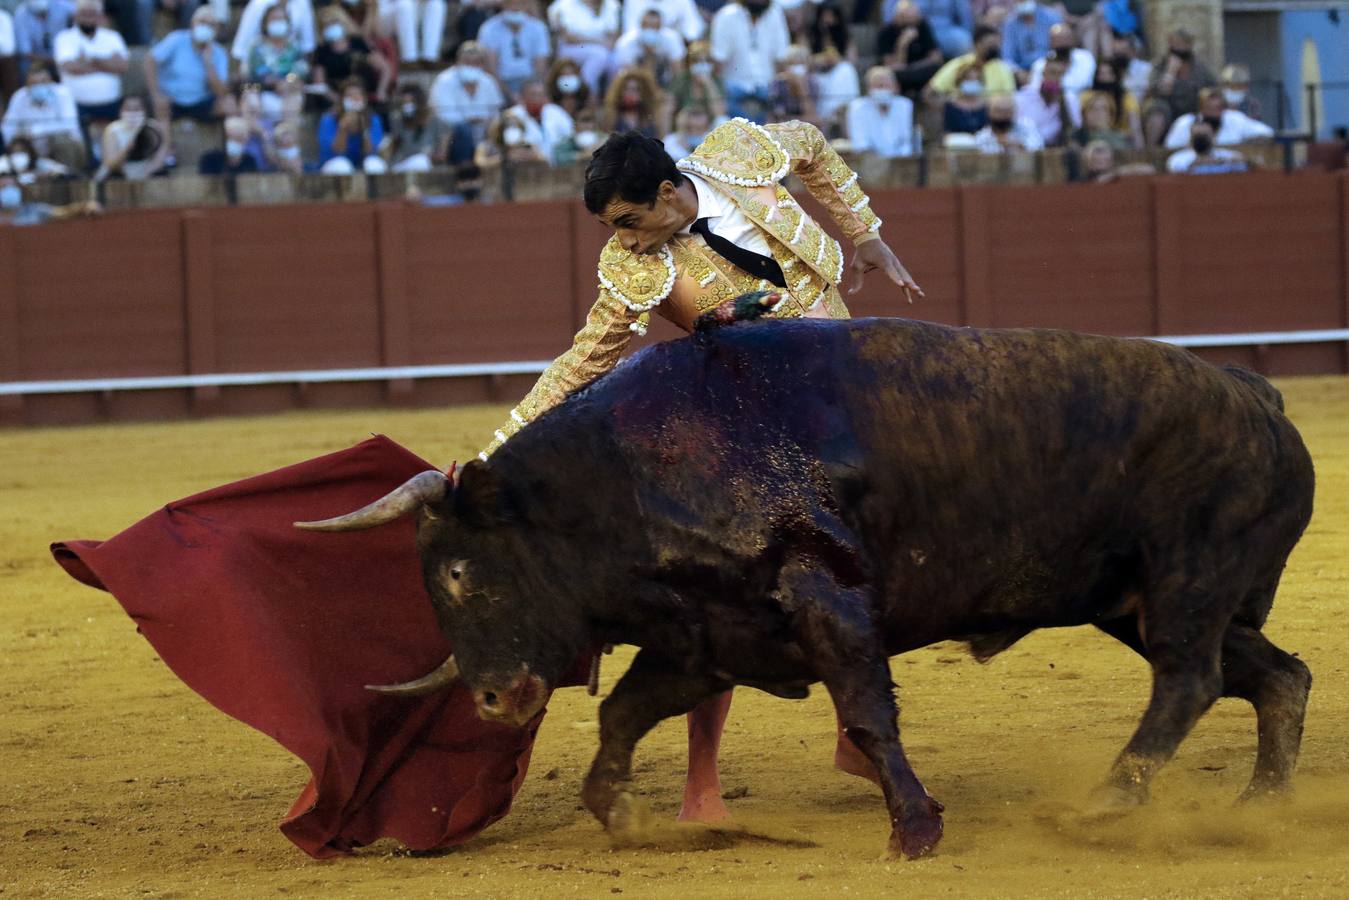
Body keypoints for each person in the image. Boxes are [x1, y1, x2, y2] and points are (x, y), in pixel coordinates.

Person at [475, 120, 922, 821]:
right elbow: (583, 362)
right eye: (610, 228)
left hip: (844, 402)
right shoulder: (634, 269)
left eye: (628, 221)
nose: (622, 240)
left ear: (667, 192)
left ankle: (853, 739)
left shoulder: (737, 155)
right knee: (722, 595)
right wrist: (494, 451)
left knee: (874, 568)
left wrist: (861, 231)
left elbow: (808, 142)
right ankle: (700, 786)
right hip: (752, 431)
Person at [146, 7, 230, 128]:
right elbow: (150, 60)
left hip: (200, 100)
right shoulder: (176, 39)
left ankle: (226, 146)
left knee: (228, 105)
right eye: (202, 22)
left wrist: (209, 64)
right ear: (192, 24)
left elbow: (221, 91)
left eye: (211, 25)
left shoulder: (219, 52)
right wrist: (156, 94)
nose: (206, 27)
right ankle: (164, 146)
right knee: (160, 105)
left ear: (216, 30)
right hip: (171, 99)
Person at [709, 0, 790, 123]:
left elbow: (781, 58)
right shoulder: (726, 16)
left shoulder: (775, 13)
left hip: (767, 88)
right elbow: (718, 62)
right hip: (734, 89)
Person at [53, 0, 127, 131]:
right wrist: (107, 64)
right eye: (83, 14)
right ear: (75, 16)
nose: (88, 18)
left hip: (111, 104)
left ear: (100, 17)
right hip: (77, 105)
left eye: (92, 14)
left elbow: (122, 66)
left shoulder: (112, 37)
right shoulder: (64, 38)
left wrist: (90, 59)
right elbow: (71, 67)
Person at [1, 60, 85, 169]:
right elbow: (8, 127)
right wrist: (13, 143)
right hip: (32, 147)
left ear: (50, 80)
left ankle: (67, 178)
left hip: (67, 146)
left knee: (60, 139)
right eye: (34, 83)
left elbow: (69, 125)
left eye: (42, 82)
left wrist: (36, 131)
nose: (38, 86)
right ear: (27, 83)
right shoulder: (20, 97)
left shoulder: (63, 93)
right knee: (17, 145)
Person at [1144, 28, 1214, 146]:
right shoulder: (1160, 65)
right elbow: (1159, 91)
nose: (1179, 48)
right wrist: (1170, 72)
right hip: (1167, 109)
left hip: (1193, 109)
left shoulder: (1200, 68)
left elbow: (1212, 88)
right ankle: (1151, 149)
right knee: (1157, 112)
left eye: (1183, 44)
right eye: (1176, 44)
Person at [310, 7, 391, 108]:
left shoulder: (358, 43)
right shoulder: (321, 51)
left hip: (366, 96)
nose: (330, 27)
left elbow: (385, 68)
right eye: (325, 25)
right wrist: (339, 100)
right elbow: (320, 85)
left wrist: (381, 91)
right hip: (338, 100)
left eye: (333, 23)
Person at [429, 41, 505, 146]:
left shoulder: (488, 81)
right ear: (457, 62)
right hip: (454, 134)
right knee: (464, 130)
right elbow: (444, 115)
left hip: (485, 132)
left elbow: (496, 111)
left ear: (483, 64)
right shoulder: (444, 81)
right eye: (467, 62)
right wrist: (471, 120)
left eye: (476, 62)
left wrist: (489, 123)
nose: (471, 66)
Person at [477, 0, 551, 97]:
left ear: (527, 5)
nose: (515, 8)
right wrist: (508, 94)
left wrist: (531, 93)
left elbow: (540, 66)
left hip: (529, 81)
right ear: (503, 4)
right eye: (510, 3)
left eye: (520, 3)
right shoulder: (489, 28)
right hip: (501, 83)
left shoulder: (538, 28)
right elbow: (490, 68)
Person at [548, 0, 620, 98]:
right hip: (571, 47)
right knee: (599, 55)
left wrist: (606, 44)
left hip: (601, 48)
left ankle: (612, 99)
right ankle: (585, 94)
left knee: (615, 60)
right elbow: (568, 37)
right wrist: (598, 42)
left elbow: (613, 35)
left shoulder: (610, 4)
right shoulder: (563, 4)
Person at [1162, 86, 1272, 151]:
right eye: (1209, 108)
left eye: (1218, 108)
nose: (1214, 112)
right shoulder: (1184, 123)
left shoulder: (1234, 119)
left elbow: (1267, 132)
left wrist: (1247, 142)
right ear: (1201, 108)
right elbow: (1170, 149)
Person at [318, 77, 386, 173]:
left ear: (364, 99)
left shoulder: (373, 119)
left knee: (374, 164)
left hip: (361, 163)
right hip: (333, 164)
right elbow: (337, 151)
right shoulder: (328, 119)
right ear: (342, 100)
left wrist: (364, 128)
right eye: (349, 96)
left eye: (357, 96)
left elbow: (370, 151)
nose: (354, 99)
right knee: (342, 166)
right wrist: (342, 128)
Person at [927, 24, 1015, 99]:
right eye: (990, 44)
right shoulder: (960, 64)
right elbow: (931, 91)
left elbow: (1009, 97)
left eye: (996, 45)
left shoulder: (1002, 69)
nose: (994, 48)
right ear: (977, 44)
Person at [876, 1, 943, 98]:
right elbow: (894, 66)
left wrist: (912, 68)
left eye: (914, 18)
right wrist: (902, 45)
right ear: (897, 17)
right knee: (892, 74)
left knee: (936, 70)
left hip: (920, 71)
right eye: (906, 19)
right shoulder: (886, 33)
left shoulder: (922, 26)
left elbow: (936, 58)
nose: (911, 24)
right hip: (900, 76)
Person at [95, 94, 169, 181]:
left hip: (146, 170)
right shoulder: (112, 129)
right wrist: (127, 150)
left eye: (137, 109)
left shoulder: (154, 128)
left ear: (145, 111)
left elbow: (159, 160)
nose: (132, 113)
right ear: (120, 110)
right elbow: (110, 164)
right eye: (128, 109)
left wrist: (144, 174)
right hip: (117, 172)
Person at [381, 83, 453, 171]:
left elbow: (442, 154)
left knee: (421, 161)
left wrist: (432, 156)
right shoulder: (398, 121)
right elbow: (391, 150)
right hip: (402, 165)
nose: (407, 107)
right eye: (404, 103)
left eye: (410, 102)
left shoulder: (436, 122)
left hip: (427, 166)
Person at [847, 67, 916, 158]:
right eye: (879, 86)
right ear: (868, 89)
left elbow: (906, 141)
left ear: (895, 88)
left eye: (886, 86)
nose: (882, 89)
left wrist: (899, 162)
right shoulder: (857, 107)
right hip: (870, 163)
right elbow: (861, 143)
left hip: (901, 162)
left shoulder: (905, 105)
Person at [505, 78, 575, 164]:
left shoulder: (555, 111)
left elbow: (571, 135)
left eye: (541, 94)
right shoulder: (512, 115)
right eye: (533, 94)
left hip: (558, 168)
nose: (538, 98)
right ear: (522, 96)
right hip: (526, 169)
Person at [1014, 53, 1076, 146]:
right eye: (1052, 73)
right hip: (1026, 147)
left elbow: (1074, 128)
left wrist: (1062, 104)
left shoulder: (1069, 99)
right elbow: (1017, 127)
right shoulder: (1024, 96)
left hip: (1056, 149)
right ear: (1043, 73)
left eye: (1060, 74)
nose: (1055, 78)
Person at [613, 8, 685, 87]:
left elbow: (678, 71)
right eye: (646, 26)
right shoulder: (626, 43)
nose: (650, 30)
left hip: (665, 83)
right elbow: (628, 75)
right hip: (636, 85)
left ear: (661, 27)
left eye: (655, 27)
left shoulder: (672, 39)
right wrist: (648, 54)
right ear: (640, 25)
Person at [232, 0, 316, 63]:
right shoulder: (258, 4)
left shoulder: (303, 3)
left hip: (291, 67)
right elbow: (240, 50)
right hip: (260, 64)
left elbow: (308, 46)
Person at [1028, 23, 1094, 94]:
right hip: (1050, 101)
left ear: (1072, 39)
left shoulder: (1085, 57)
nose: (1062, 44)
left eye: (1065, 39)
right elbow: (1035, 87)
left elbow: (1083, 83)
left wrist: (1052, 83)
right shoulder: (1040, 64)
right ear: (1050, 42)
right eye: (1057, 40)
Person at [1000, 0, 1060, 77]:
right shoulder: (1010, 24)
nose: (1021, 2)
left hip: (1051, 67)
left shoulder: (1052, 17)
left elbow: (1061, 47)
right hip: (1024, 72)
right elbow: (1007, 57)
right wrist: (1018, 72)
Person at [14, 0, 74, 76]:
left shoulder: (61, 5)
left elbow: (81, 14)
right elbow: (26, 52)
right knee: (25, 65)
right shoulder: (21, 14)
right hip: (36, 60)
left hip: (62, 56)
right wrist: (54, 62)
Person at [1166, 119, 1247, 175]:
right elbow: (1177, 169)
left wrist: (1225, 160)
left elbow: (1243, 165)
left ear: (1213, 137)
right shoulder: (1178, 158)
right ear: (1190, 139)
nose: (1201, 140)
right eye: (1198, 136)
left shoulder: (1227, 155)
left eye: (1205, 136)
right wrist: (1212, 161)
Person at [602, 66, 665, 138]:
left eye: (635, 90)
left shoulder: (651, 118)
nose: (630, 93)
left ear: (642, 94)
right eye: (626, 89)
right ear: (620, 92)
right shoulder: (613, 118)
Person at [810, 45, 859, 133]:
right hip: (819, 116)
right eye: (825, 56)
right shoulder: (813, 75)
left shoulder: (845, 69)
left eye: (831, 55)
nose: (827, 59)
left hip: (841, 113)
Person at [973, 90, 1040, 151]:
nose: (1003, 115)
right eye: (999, 111)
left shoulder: (1027, 126)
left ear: (1014, 111)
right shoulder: (982, 137)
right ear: (989, 112)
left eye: (1007, 111)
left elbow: (1038, 145)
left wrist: (1020, 145)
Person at [198, 116, 263, 175]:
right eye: (230, 138)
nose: (234, 142)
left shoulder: (249, 160)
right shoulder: (209, 159)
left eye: (239, 139)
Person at [622, 0, 704, 44]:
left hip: (673, 47)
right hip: (640, 44)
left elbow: (693, 25)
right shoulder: (632, 1)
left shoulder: (683, 1)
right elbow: (630, 29)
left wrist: (687, 38)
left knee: (693, 49)